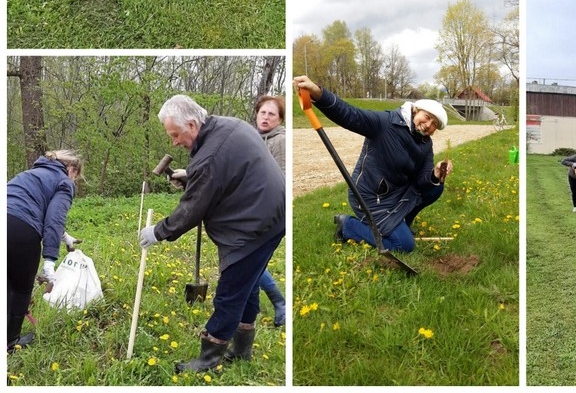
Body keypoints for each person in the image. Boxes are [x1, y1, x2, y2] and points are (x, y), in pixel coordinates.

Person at [139, 94, 285, 371]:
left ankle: (209, 358)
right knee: (248, 284)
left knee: (230, 292)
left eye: (175, 134)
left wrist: (157, 232)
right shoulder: (230, 125)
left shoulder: (208, 159)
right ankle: (242, 352)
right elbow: (220, 171)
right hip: (272, 218)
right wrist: (191, 175)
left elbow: (192, 209)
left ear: (192, 125)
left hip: (252, 226)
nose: (174, 142)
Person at [293, 75, 452, 253]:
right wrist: (319, 94)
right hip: (371, 196)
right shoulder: (385, 123)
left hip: (396, 193)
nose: (428, 125)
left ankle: (403, 222)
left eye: (434, 124)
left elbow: (422, 180)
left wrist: (434, 174)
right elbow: (349, 114)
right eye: (427, 117)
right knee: (404, 245)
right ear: (416, 110)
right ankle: (347, 225)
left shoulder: (425, 143)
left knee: (435, 187)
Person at [7, 150, 84, 352]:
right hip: (21, 231)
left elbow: (27, 206)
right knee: (20, 289)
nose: (74, 181)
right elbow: (53, 220)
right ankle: (10, 343)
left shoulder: (28, 175)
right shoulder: (64, 181)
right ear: (71, 169)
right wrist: (50, 262)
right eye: (76, 177)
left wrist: (65, 237)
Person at [254, 95, 286, 328]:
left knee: (252, 261)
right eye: (263, 112)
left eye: (271, 114)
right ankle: (254, 308)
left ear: (280, 119)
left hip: (269, 212)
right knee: (250, 261)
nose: (265, 117)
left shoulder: (280, 141)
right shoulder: (253, 138)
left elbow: (281, 179)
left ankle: (280, 303)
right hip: (250, 209)